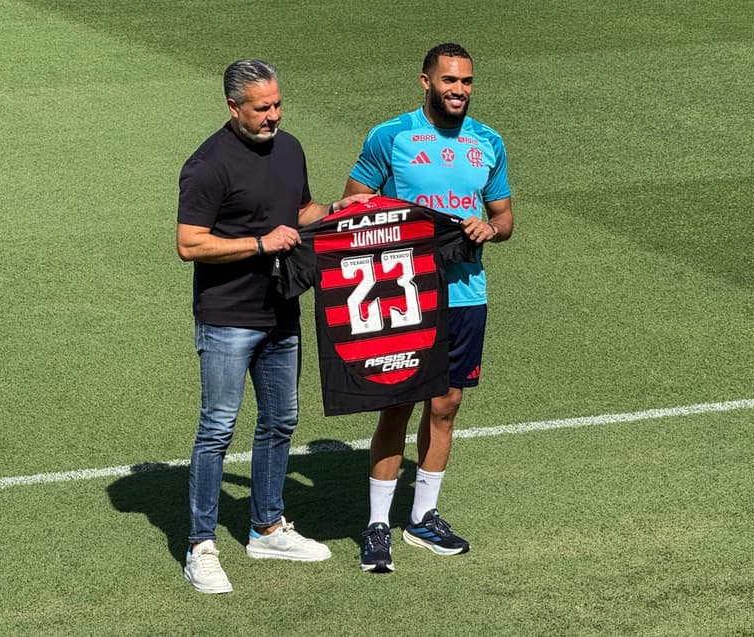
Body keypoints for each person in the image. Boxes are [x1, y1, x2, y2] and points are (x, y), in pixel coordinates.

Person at [177, 58, 369, 594]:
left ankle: (266, 526)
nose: (274, 116)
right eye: (262, 108)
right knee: (217, 428)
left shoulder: (290, 148)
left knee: (281, 418)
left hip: (282, 310)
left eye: (278, 104)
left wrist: (338, 208)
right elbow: (189, 243)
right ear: (233, 107)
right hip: (227, 319)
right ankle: (200, 544)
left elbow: (301, 208)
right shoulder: (207, 165)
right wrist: (260, 244)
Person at [342, 43, 514, 573]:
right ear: (425, 82)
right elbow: (353, 205)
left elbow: (504, 217)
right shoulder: (390, 136)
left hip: (466, 294)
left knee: (446, 405)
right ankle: (376, 525)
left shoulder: (488, 142)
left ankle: (422, 517)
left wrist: (491, 228)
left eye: (466, 81)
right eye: (449, 81)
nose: (458, 90)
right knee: (397, 405)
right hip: (405, 295)